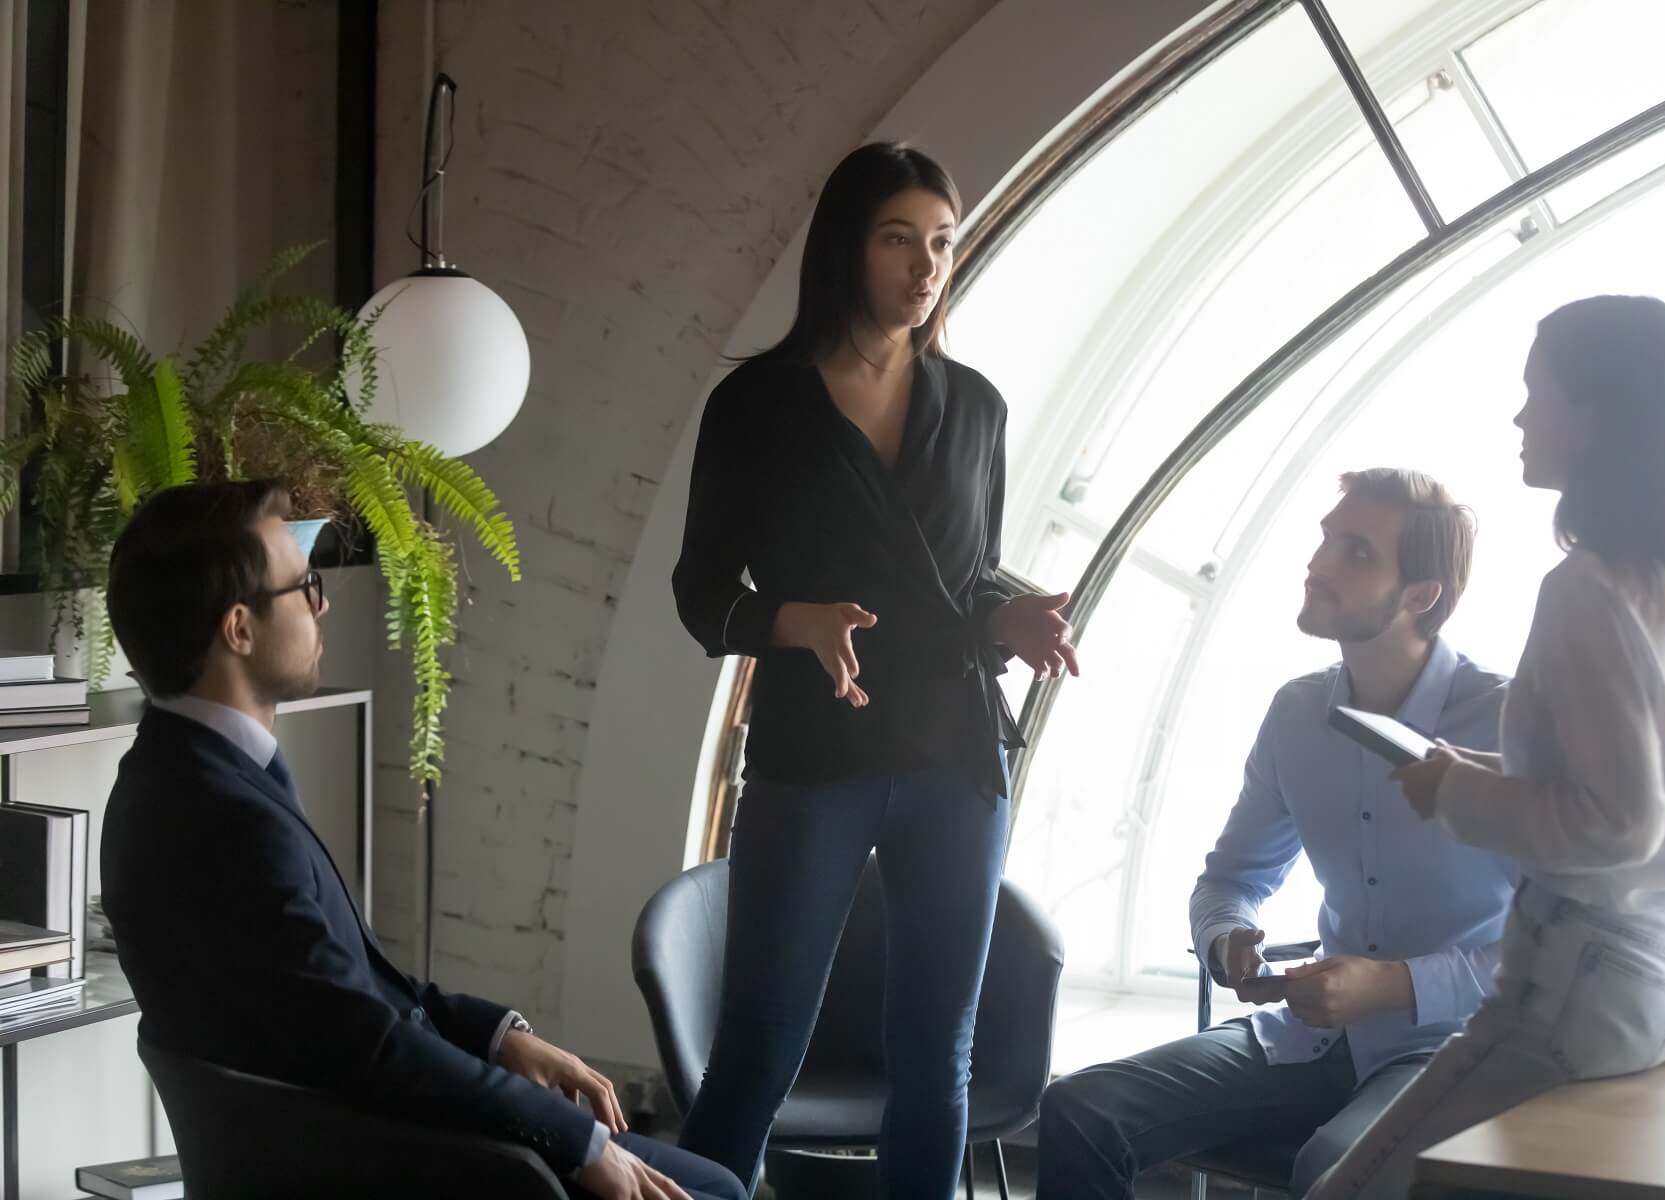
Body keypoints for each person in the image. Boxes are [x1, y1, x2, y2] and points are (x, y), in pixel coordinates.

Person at [101, 480, 744, 1200]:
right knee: (714, 1190)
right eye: (305, 586)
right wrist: (569, 1138)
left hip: (351, 1132)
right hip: (381, 1159)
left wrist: (501, 1037)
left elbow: (355, 993)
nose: (324, 604)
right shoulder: (224, 817)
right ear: (239, 630)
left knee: (712, 1179)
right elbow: (367, 1044)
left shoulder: (184, 774)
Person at [670, 141, 1080, 1199]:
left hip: (955, 754)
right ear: (846, 246)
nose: (925, 266)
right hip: (817, 755)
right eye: (899, 239)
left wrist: (1015, 613)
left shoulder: (976, 405)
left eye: (941, 242)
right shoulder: (756, 404)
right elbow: (698, 593)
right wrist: (795, 619)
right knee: (758, 1050)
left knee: (936, 1058)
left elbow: (970, 575)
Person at [1307, 296, 1665, 1199]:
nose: (1518, 417)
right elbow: (1661, 811)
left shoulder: (1587, 589)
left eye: (1534, 394)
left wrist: (1456, 799)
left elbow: (1613, 825)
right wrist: (1469, 771)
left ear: (1594, 417)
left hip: (1577, 984)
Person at [1036, 468, 1515, 1199]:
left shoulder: (1504, 724)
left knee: (1336, 1166)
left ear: (1422, 596)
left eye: (1356, 553)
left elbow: (1553, 949)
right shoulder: (1297, 713)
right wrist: (1228, 939)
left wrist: (1394, 986)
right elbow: (1229, 880)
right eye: (1326, 539)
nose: (1318, 563)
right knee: (1077, 1112)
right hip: (1309, 1037)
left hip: (1448, 1048)